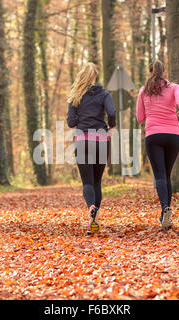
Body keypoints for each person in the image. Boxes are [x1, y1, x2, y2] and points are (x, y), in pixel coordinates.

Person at [136, 60, 179, 230]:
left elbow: (140, 117)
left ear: (150, 71)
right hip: (173, 135)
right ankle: (165, 213)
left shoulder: (144, 90)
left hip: (154, 135)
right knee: (167, 174)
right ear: (164, 71)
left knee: (159, 176)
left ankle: (165, 208)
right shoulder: (174, 88)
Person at [67, 63, 116, 235]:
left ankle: (91, 208)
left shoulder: (75, 96)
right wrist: (111, 127)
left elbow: (71, 122)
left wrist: (81, 118)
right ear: (95, 76)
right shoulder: (104, 94)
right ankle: (94, 220)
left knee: (87, 182)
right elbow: (112, 112)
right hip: (102, 140)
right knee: (97, 182)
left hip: (82, 141)